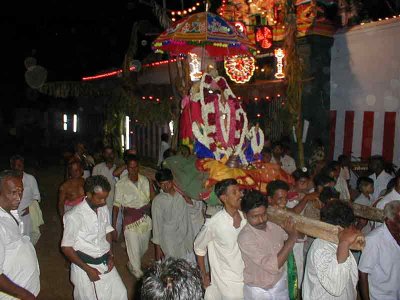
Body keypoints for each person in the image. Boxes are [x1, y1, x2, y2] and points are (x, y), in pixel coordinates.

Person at [61, 175, 127, 300]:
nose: (103, 202)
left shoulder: (102, 209)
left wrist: (110, 255)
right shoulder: (74, 216)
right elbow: (66, 248)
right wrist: (88, 269)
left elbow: (107, 231)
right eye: (100, 198)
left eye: (105, 198)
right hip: (84, 267)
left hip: (104, 261)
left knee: (120, 294)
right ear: (89, 194)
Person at [238, 190, 298, 299]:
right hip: (259, 291)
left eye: (264, 214)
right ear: (245, 215)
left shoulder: (272, 225)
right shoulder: (246, 237)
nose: (261, 220)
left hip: (279, 284)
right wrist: (292, 238)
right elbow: (273, 266)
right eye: (255, 216)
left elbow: (297, 235)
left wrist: (293, 224)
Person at [194, 179, 246, 300]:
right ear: (224, 198)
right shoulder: (215, 223)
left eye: (239, 191)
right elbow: (198, 247)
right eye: (234, 192)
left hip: (246, 278)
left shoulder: (246, 217)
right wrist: (203, 274)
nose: (240, 194)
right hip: (226, 284)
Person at [302, 200, 359, 300]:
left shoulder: (338, 241)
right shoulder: (321, 247)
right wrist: (344, 243)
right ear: (341, 228)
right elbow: (337, 286)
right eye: (352, 225)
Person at [0, 170, 40, 299]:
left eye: (20, 191)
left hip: (24, 289)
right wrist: (25, 295)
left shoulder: (11, 212)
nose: (19, 197)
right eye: (12, 192)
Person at [113, 155, 154, 278]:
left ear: (138, 167)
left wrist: (151, 184)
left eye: (136, 167)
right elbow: (116, 205)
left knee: (144, 248)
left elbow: (151, 199)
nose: (133, 170)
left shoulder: (145, 180)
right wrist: (114, 226)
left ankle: (132, 263)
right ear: (127, 168)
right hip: (130, 221)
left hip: (145, 219)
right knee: (134, 250)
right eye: (131, 167)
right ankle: (138, 274)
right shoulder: (121, 184)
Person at [358, 201, 400, 300]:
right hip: (379, 297)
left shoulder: (397, 234)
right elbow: (363, 273)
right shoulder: (374, 240)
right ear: (389, 221)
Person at [151, 169, 194, 263]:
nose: (166, 186)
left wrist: (185, 197)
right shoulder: (158, 201)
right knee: (172, 269)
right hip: (169, 242)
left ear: (172, 181)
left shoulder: (181, 196)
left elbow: (193, 207)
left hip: (186, 238)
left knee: (188, 267)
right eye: (162, 184)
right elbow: (156, 226)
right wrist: (157, 248)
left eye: (168, 183)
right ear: (158, 184)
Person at [10, 155, 42, 245]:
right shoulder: (8, 180)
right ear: (11, 166)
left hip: (26, 216)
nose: (18, 168)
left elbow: (37, 197)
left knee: (27, 239)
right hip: (12, 215)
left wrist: (30, 208)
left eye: (20, 165)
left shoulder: (30, 179)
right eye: (15, 165)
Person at [92, 146, 117, 215]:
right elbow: (92, 187)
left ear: (114, 155)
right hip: (101, 205)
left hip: (115, 205)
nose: (109, 155)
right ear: (103, 154)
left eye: (111, 153)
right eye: (107, 153)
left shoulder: (118, 169)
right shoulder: (97, 168)